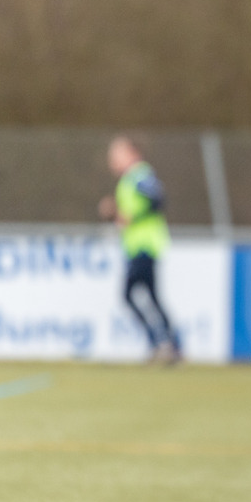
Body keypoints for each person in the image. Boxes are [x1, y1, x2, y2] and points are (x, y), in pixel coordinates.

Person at [98, 136, 181, 364]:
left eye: (117, 154)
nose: (113, 160)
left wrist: (130, 217)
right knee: (151, 297)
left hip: (145, 246)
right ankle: (169, 344)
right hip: (137, 247)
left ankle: (161, 343)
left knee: (130, 294)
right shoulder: (129, 179)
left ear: (132, 153)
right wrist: (114, 213)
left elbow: (157, 200)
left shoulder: (139, 175)